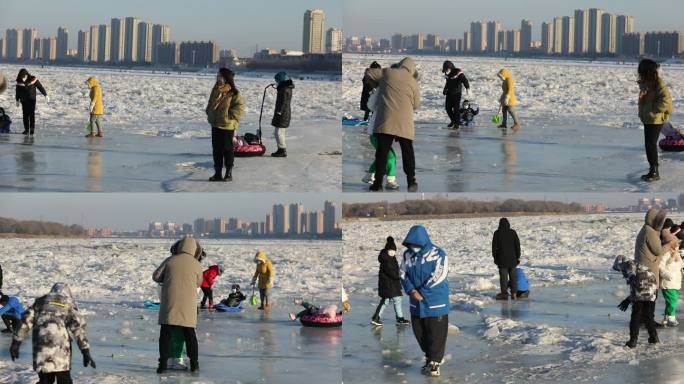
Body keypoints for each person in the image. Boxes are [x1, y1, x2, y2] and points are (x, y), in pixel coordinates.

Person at [10, 283, 96, 383]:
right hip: (61, 352)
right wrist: (85, 351)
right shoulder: (68, 304)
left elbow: (25, 323)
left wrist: (16, 343)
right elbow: (78, 328)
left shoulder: (39, 302)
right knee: (64, 380)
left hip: (41, 350)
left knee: (45, 380)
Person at [365, 57, 421, 192]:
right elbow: (417, 105)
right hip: (405, 122)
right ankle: (411, 181)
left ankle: (377, 183)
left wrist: (378, 85)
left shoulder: (388, 73)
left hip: (386, 120)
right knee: (408, 152)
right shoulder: (413, 82)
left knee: (382, 153)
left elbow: (369, 72)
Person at [401, 225, 449, 377]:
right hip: (416, 302)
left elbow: (439, 275)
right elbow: (402, 274)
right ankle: (429, 357)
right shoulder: (407, 255)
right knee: (419, 332)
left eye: (416, 244)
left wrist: (423, 292)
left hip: (435, 302)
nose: (413, 247)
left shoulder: (438, 254)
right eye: (411, 244)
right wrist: (412, 290)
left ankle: (435, 362)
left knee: (436, 334)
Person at [152, 236, 204, 373]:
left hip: (170, 303)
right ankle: (194, 365)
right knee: (190, 335)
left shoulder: (170, 260)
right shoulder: (196, 264)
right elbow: (199, 282)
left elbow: (156, 276)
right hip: (188, 306)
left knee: (166, 335)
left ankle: (162, 365)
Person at [206, 67, 244, 182]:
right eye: (217, 75)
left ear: (226, 78)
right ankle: (217, 173)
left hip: (227, 126)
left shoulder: (234, 92)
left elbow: (239, 107)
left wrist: (229, 117)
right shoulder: (215, 90)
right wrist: (209, 111)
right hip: (215, 124)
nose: (218, 77)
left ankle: (228, 173)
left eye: (221, 76)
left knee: (227, 149)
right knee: (216, 150)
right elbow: (210, 103)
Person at [637, 58, 672, 182]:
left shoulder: (659, 84)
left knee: (651, 145)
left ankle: (654, 171)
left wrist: (652, 110)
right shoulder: (646, 83)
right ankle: (652, 169)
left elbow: (665, 102)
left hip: (655, 119)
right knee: (649, 145)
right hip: (648, 118)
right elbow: (644, 100)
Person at [613, 256, 659, 348]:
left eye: (618, 269)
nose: (620, 272)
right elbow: (641, 288)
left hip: (642, 286)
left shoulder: (628, 264)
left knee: (636, 315)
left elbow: (634, 280)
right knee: (648, 315)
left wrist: (630, 298)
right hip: (652, 289)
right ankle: (654, 337)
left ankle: (633, 340)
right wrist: (629, 299)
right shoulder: (640, 266)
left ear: (619, 264)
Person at [362, 82, 399, 190]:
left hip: (387, 133)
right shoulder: (381, 93)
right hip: (376, 133)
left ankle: (369, 175)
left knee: (383, 156)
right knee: (391, 157)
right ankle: (390, 180)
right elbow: (370, 106)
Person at [371, 236, 410, 326]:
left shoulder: (390, 257)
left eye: (394, 250)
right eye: (391, 250)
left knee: (388, 300)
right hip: (388, 285)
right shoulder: (386, 259)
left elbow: (395, 270)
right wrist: (400, 275)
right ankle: (399, 319)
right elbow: (392, 273)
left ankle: (376, 318)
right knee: (395, 299)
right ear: (387, 250)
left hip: (391, 284)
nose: (393, 252)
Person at [634, 208, 678, 289]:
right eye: (660, 221)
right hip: (648, 271)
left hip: (644, 269)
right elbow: (658, 251)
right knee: (648, 297)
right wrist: (669, 245)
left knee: (642, 296)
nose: (661, 223)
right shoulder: (650, 232)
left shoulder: (646, 229)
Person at [658, 226, 683, 327]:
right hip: (668, 282)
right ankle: (671, 317)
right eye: (676, 243)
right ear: (670, 244)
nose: (678, 244)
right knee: (672, 301)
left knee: (672, 301)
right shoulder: (666, 254)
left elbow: (680, 264)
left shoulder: (675, 254)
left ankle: (666, 318)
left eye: (678, 243)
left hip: (675, 282)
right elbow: (660, 265)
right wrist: (666, 275)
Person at [492, 218, 521, 300]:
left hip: (501, 260)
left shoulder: (497, 233)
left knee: (503, 278)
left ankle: (504, 294)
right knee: (513, 277)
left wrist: (495, 258)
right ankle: (514, 293)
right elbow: (517, 246)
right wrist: (517, 257)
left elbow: (494, 248)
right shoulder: (513, 232)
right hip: (513, 259)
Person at [15, 68, 48, 135]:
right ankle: (26, 130)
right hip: (23, 100)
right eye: (22, 76)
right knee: (25, 115)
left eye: (24, 76)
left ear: (27, 75)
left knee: (31, 114)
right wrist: (17, 100)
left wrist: (45, 94)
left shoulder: (33, 79)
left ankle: (32, 129)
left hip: (31, 99)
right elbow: (17, 92)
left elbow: (40, 87)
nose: (23, 78)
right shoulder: (19, 81)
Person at [271, 72, 294, 158]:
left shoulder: (284, 89)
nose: (276, 82)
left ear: (281, 80)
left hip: (283, 113)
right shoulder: (285, 88)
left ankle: (282, 150)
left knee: (278, 132)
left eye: (277, 80)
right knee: (280, 132)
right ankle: (281, 149)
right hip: (284, 113)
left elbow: (283, 102)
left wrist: (279, 111)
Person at [442, 61, 470, 129]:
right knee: (448, 108)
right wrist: (445, 89)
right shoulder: (447, 74)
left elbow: (465, 80)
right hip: (449, 93)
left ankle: (457, 124)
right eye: (445, 70)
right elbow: (447, 82)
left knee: (456, 109)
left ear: (450, 68)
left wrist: (467, 88)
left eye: (447, 69)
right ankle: (453, 121)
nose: (446, 71)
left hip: (457, 93)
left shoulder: (458, 72)